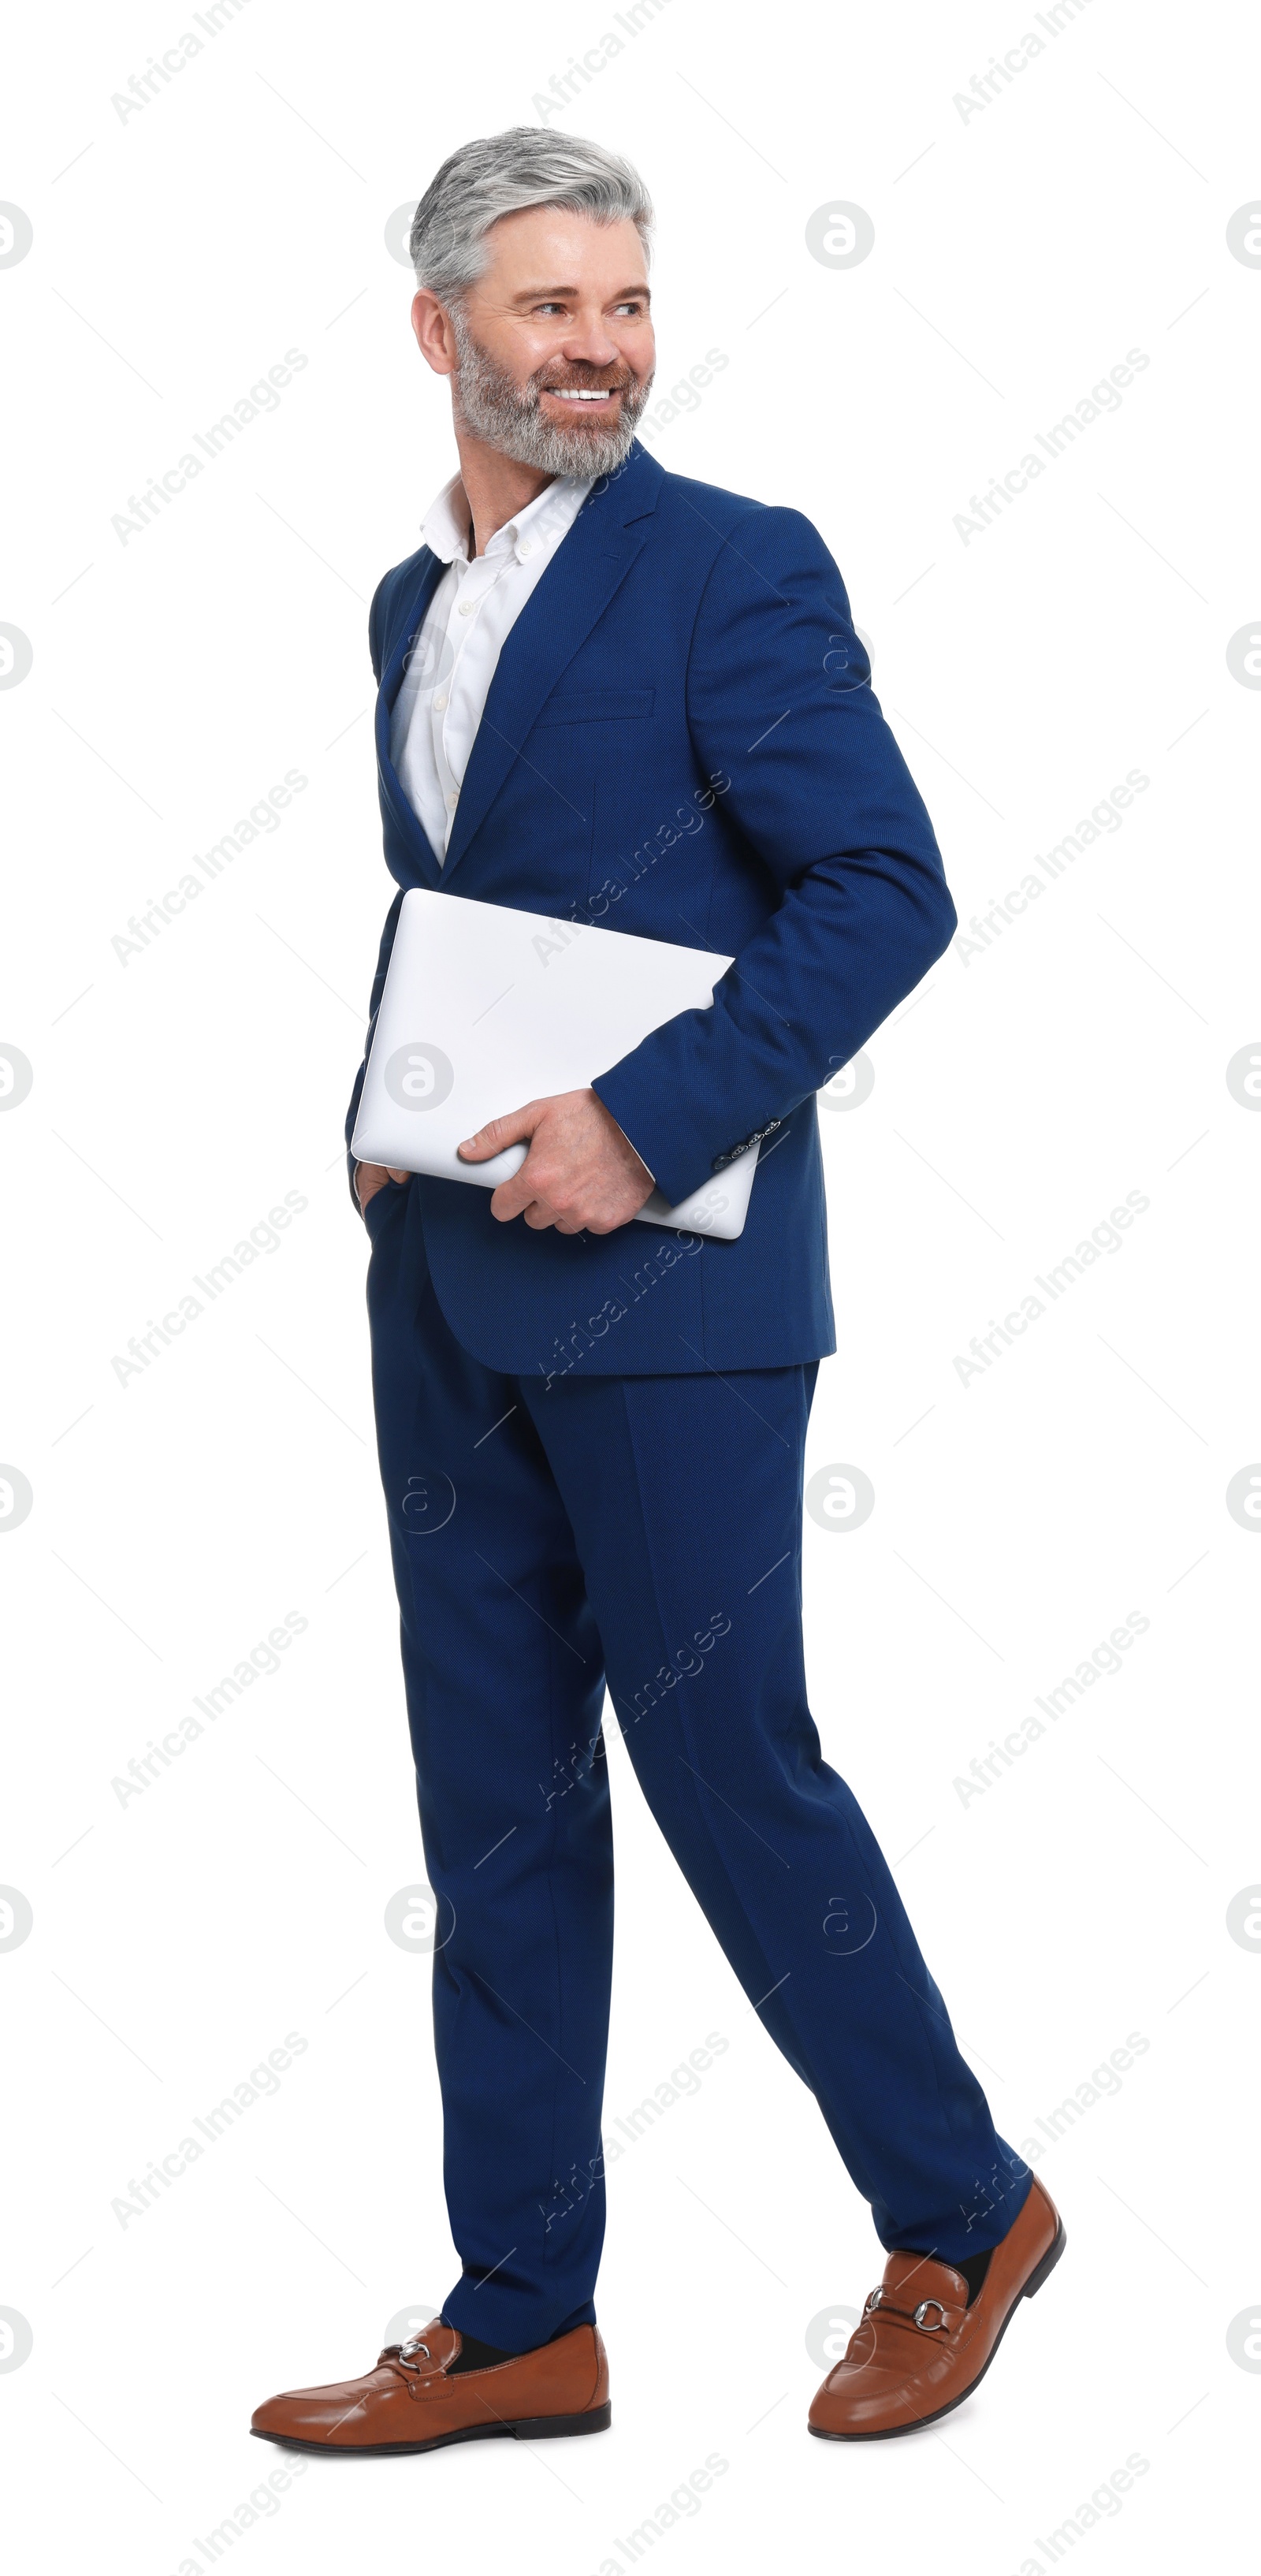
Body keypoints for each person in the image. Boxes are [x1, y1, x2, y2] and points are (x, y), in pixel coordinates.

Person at [251, 128, 1063, 2462]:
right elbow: (476, 903)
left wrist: (647, 1114)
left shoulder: (733, 570)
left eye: (622, 305)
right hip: (445, 1275)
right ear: (442, 331)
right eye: (546, 310)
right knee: (494, 1800)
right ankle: (522, 2311)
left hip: (679, 1294)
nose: (595, 351)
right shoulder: (411, 606)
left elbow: (881, 889)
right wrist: (381, 1106)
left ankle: (963, 2204)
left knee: (731, 1772)